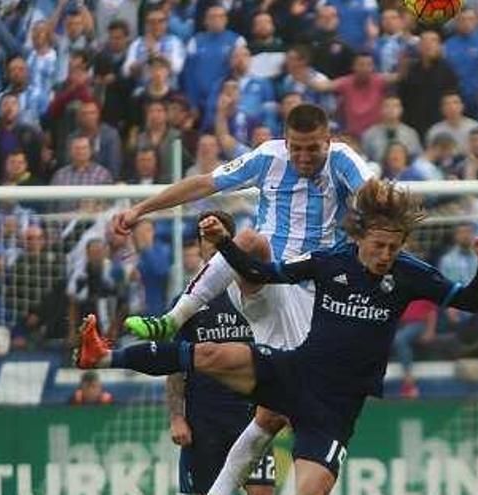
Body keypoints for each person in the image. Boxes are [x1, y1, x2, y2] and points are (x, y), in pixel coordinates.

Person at [76, 178, 478, 495]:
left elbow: (469, 300)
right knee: (207, 353)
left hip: (334, 407)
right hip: (296, 370)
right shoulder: (330, 260)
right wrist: (227, 244)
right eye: (378, 245)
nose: (385, 256)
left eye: (394, 248)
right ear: (359, 237)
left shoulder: (409, 273)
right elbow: (261, 273)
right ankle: (103, 356)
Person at [115, 103, 373, 339]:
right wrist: (140, 209)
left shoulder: (341, 159)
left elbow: (375, 195)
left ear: (328, 141)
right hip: (262, 274)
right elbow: (204, 184)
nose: (304, 157)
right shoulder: (268, 157)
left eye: (313, 148)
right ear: (285, 143)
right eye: (296, 148)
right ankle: (171, 320)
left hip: (311, 285)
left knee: (290, 376)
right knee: (250, 240)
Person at [168, 211, 275, 495]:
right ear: (199, 245)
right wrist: (177, 417)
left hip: (253, 417)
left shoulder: (255, 294)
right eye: (206, 237)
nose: (212, 243)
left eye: (221, 237)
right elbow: (175, 364)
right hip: (204, 421)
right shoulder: (185, 304)